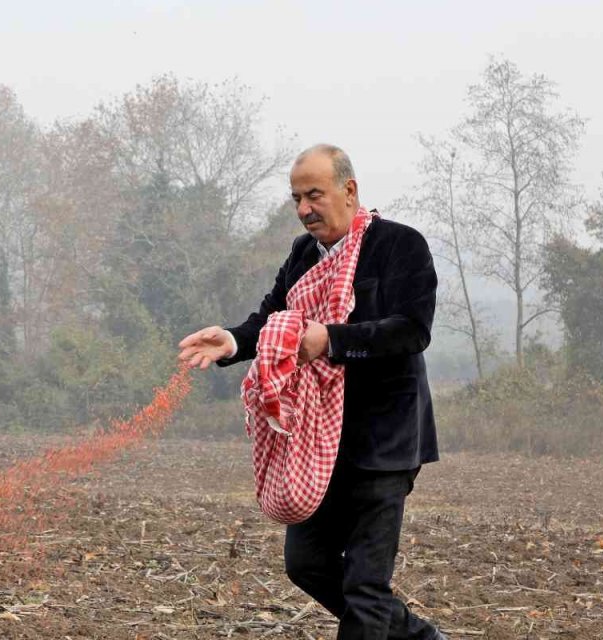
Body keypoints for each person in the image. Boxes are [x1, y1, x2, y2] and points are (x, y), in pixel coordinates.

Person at [177, 144, 444, 640]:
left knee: (365, 586)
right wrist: (234, 341)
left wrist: (332, 341)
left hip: (383, 442)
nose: (303, 209)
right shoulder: (303, 254)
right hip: (314, 441)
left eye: (314, 195)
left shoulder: (399, 245)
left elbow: (412, 330)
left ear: (349, 190)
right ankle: (422, 639)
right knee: (307, 564)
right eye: (296, 198)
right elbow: (273, 319)